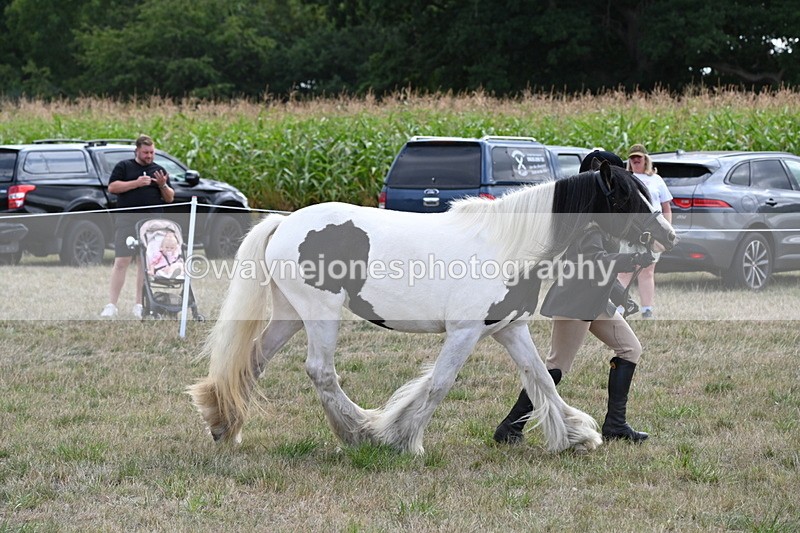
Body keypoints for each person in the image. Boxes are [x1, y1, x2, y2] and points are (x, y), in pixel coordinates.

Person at [493, 150, 653, 445]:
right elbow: (594, 259)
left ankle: (616, 424)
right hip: (576, 301)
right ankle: (510, 427)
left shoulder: (600, 218)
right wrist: (629, 260)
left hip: (595, 302)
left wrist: (621, 290)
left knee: (630, 349)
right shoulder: (585, 222)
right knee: (555, 367)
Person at [100, 135, 174, 318]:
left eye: (152, 152)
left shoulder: (159, 171)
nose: (149, 156)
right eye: (145, 152)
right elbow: (112, 187)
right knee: (121, 261)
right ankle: (111, 305)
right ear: (137, 151)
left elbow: (170, 198)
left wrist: (163, 185)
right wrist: (137, 183)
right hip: (127, 220)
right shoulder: (124, 167)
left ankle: (139, 305)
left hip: (152, 223)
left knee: (145, 264)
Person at [617, 143, 672, 319]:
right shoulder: (625, 179)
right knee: (624, 271)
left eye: (638, 157)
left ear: (645, 159)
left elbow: (666, 208)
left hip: (653, 232)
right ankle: (619, 309)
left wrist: (667, 232)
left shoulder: (656, 180)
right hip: (631, 232)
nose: (635, 160)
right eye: (632, 158)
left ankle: (647, 309)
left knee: (647, 271)